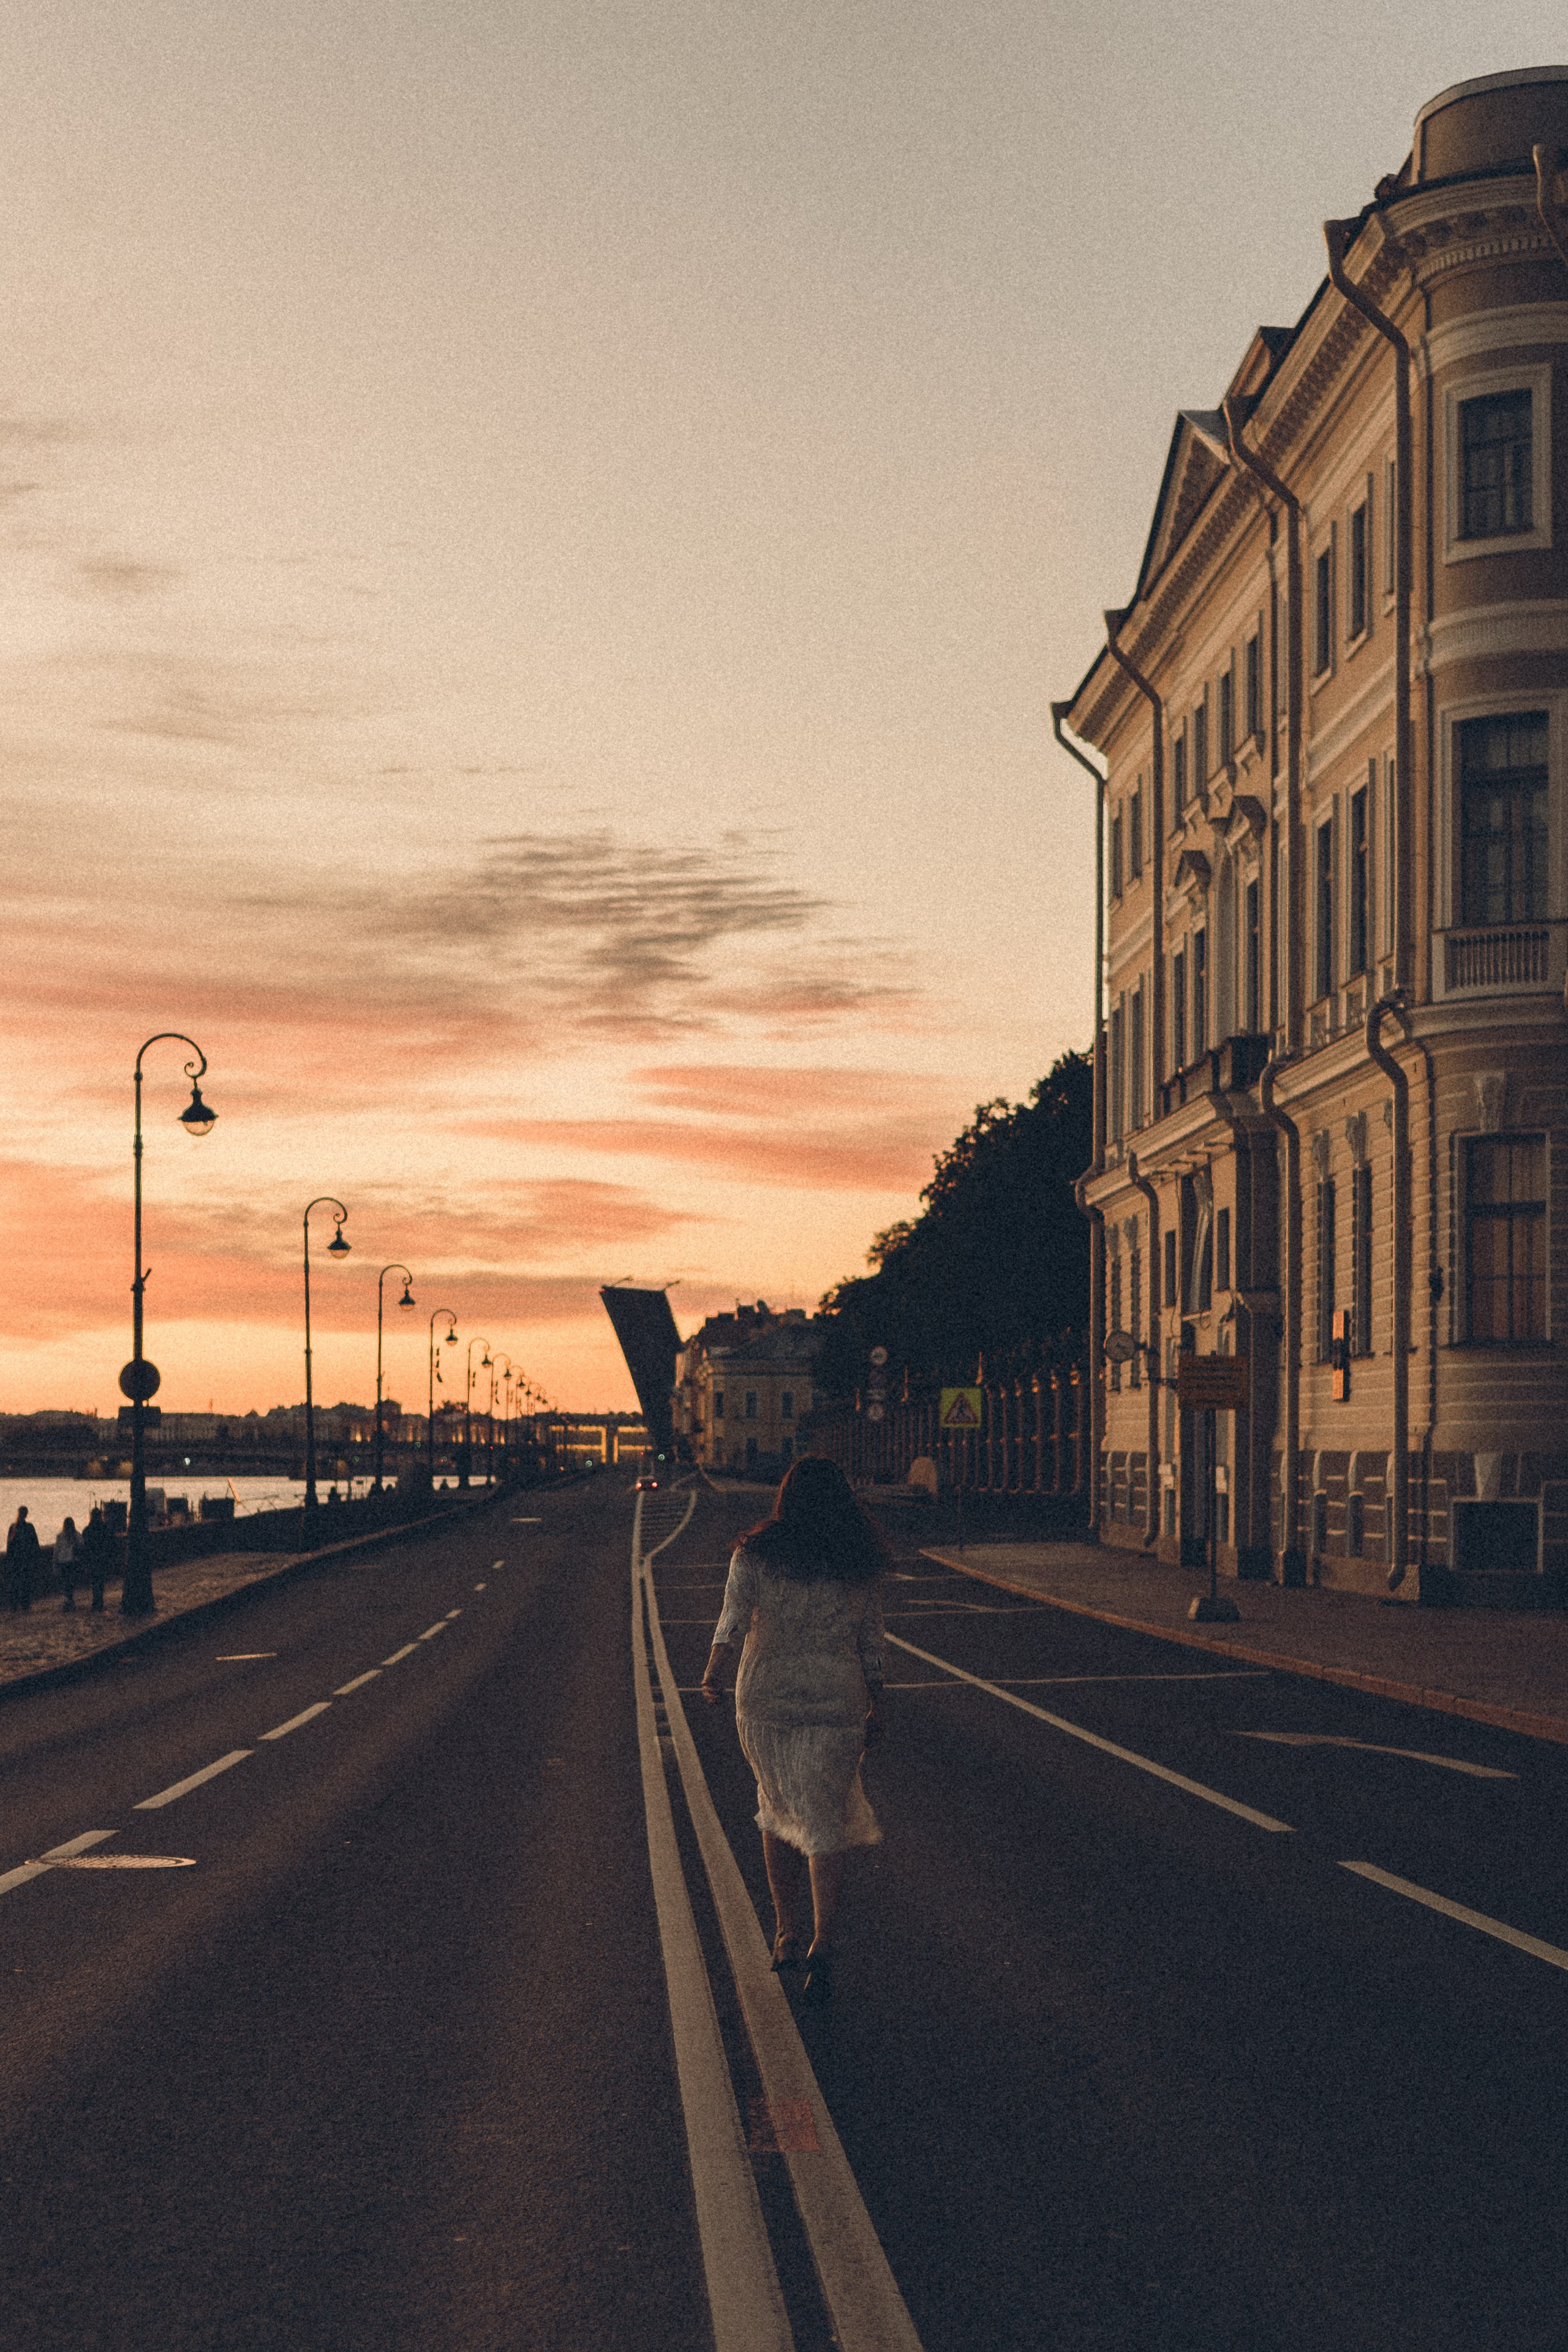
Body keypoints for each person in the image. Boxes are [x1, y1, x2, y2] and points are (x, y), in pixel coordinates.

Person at [701, 1455, 887, 2005]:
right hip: (837, 1699)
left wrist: (713, 1672)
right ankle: (823, 1942)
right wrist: (878, 1704)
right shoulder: (858, 1559)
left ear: (786, 1496)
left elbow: (732, 1619)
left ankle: (786, 1932)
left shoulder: (756, 1552)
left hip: (765, 1698)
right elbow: (872, 1641)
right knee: (824, 1815)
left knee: (775, 1804)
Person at [6, 1506, 41, 1612]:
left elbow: (10, 1545)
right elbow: (35, 1544)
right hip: (21, 1560)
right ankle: (21, 1604)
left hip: (21, 1560)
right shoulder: (23, 1527)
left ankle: (17, 1605)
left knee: (20, 1583)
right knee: (21, 1583)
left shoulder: (15, 1527)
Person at [79, 1506, 115, 1612]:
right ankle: (100, 1601)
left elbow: (84, 1546)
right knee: (101, 1581)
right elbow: (111, 1543)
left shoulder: (87, 1530)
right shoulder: (105, 1529)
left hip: (92, 1559)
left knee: (94, 1581)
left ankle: (96, 1601)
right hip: (102, 1558)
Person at [55, 1515, 81, 1610]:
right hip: (72, 1562)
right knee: (70, 1583)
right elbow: (82, 1547)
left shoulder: (60, 1536)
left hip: (63, 1563)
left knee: (65, 1583)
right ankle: (69, 1601)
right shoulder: (77, 1536)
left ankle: (68, 1602)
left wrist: (55, 1563)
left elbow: (56, 1551)